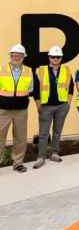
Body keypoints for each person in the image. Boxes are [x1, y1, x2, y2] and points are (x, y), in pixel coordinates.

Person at [32, 46, 74, 169]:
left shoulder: (67, 70)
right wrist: (39, 106)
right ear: (49, 58)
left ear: (61, 58)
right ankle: (41, 157)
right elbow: (35, 90)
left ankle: (54, 153)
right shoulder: (41, 70)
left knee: (57, 131)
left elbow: (71, 87)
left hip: (61, 106)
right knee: (44, 133)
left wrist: (68, 104)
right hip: (46, 107)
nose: (55, 59)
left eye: (58, 57)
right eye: (53, 57)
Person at [0, 44, 33, 173]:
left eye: (19, 56)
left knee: (20, 138)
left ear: (23, 57)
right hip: (3, 110)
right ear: (10, 56)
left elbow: (30, 89)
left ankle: (18, 163)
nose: (16, 58)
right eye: (14, 55)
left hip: (21, 110)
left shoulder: (29, 71)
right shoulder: (2, 69)